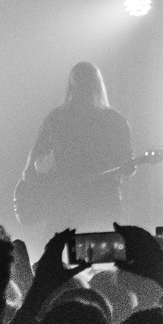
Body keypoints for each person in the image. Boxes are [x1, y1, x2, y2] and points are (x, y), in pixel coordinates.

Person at [14, 63, 135, 231]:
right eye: (80, 84)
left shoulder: (60, 118)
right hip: (77, 202)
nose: (83, 90)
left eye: (86, 85)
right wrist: (33, 178)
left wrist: (32, 175)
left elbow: (126, 164)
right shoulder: (59, 118)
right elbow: (35, 155)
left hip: (94, 202)